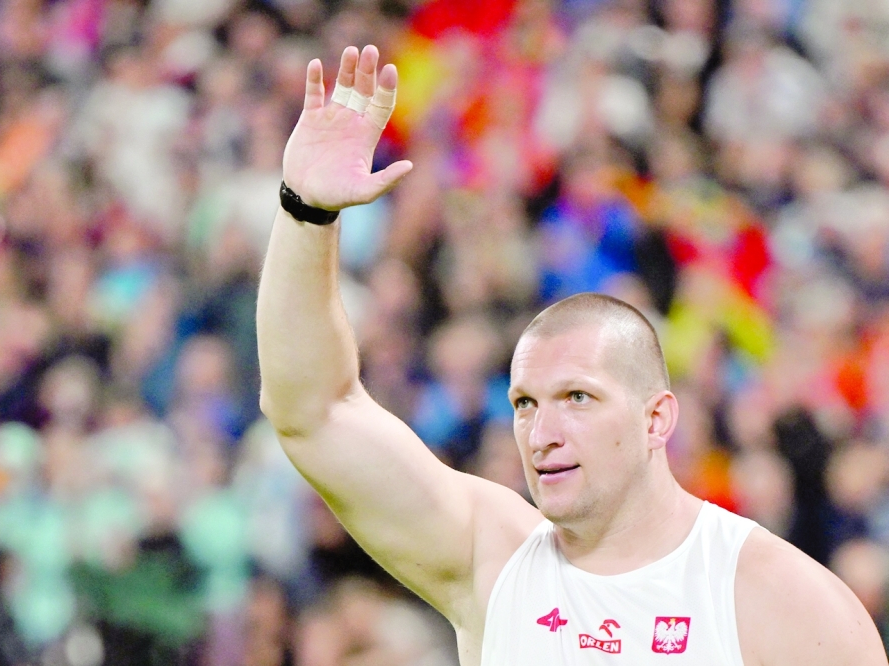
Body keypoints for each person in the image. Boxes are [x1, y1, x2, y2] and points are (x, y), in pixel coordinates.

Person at [256, 44, 888, 665]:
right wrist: (305, 211)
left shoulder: (785, 605)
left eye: (577, 397)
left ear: (657, 419)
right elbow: (314, 412)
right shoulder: (489, 557)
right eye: (525, 404)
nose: (541, 433)